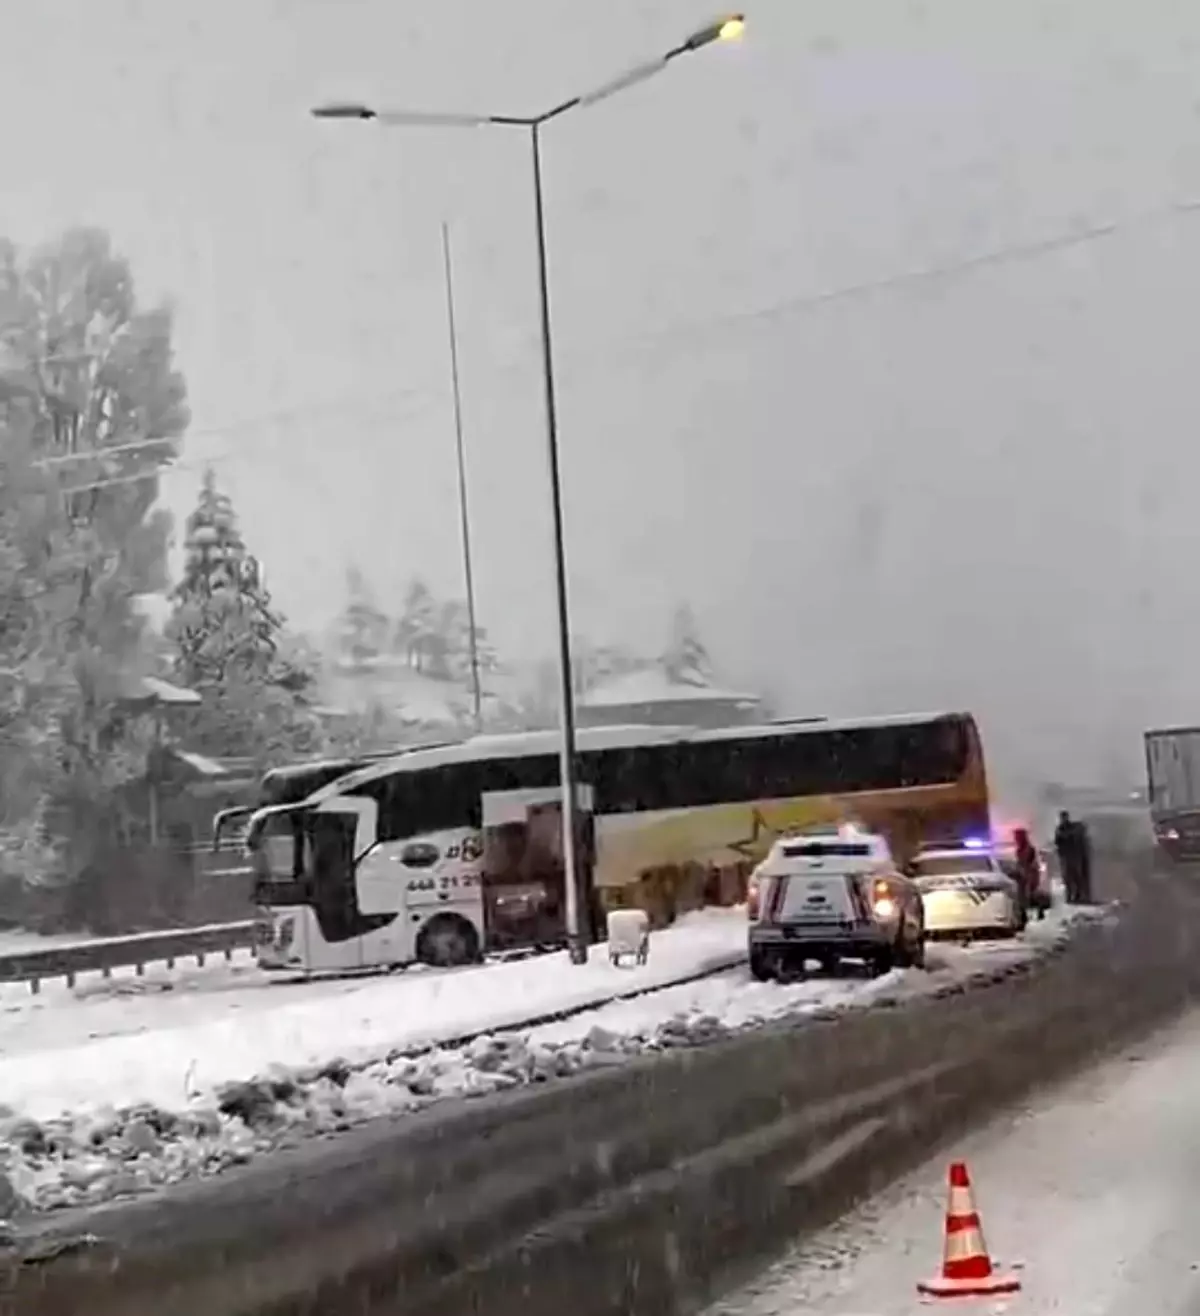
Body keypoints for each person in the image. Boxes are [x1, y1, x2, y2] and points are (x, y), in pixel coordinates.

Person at [1012, 827, 1045, 920]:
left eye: (1017, 837)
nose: (1016, 839)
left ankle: (1040, 910)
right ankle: (1024, 915)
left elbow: (1029, 862)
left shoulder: (1029, 849)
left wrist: (1027, 872)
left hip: (1030, 875)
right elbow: (1020, 863)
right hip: (1024, 875)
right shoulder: (1019, 850)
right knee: (1023, 896)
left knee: (1031, 894)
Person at [1054, 810, 1083, 903]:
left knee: (1076, 877)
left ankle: (1077, 895)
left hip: (1073, 856)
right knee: (1067, 878)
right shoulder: (1060, 829)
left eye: (1064, 817)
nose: (1063, 819)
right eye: (1062, 818)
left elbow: (1076, 838)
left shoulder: (1071, 828)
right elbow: (1057, 842)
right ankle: (1069, 896)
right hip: (1066, 857)